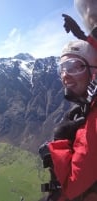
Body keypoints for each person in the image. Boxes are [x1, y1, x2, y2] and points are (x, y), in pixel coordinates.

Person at [39, 40, 97, 201]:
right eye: (62, 68)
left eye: (74, 66)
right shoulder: (89, 110)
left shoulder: (94, 123)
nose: (65, 75)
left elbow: (70, 188)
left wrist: (60, 142)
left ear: (94, 72)